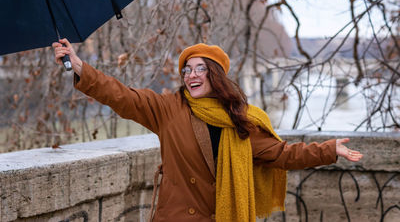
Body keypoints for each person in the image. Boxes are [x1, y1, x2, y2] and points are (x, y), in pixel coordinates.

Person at [53, 39, 363, 222]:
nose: (191, 75)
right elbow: (123, 96)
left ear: (216, 75)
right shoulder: (168, 108)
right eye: (186, 70)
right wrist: (81, 68)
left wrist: (329, 149)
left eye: (200, 68)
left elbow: (282, 153)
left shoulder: (242, 120)